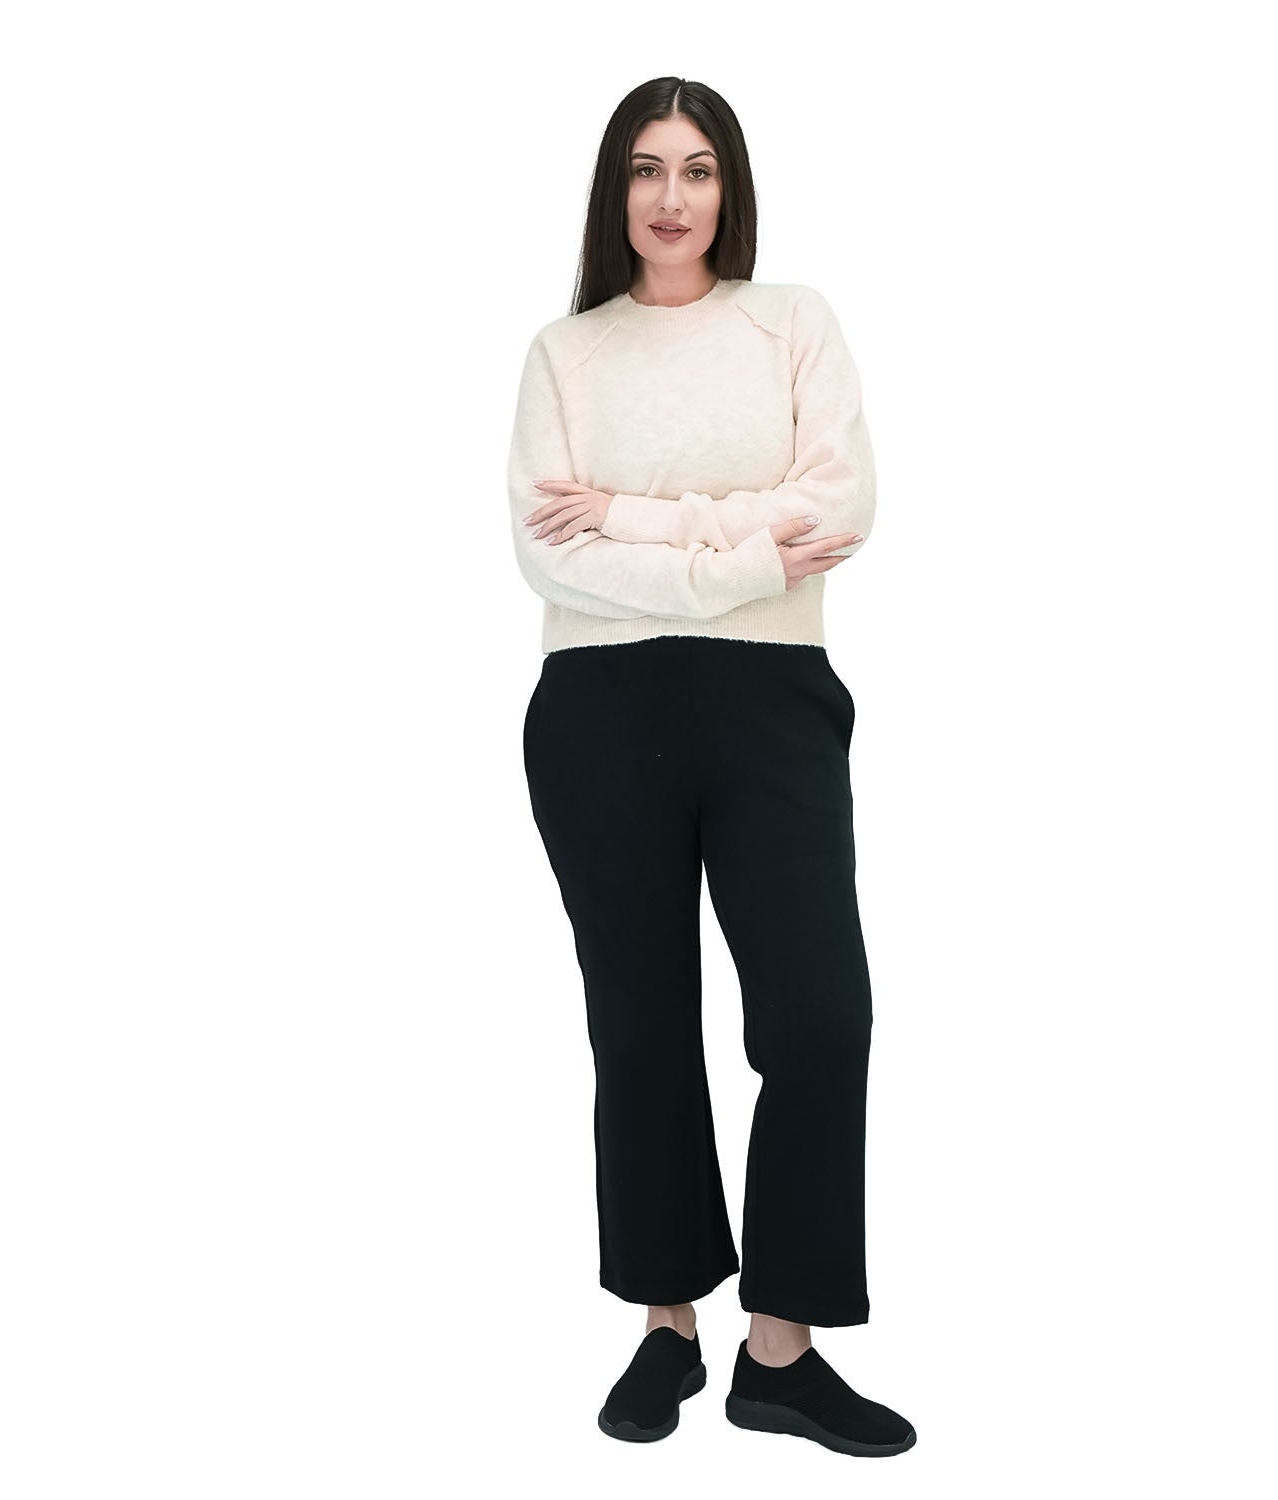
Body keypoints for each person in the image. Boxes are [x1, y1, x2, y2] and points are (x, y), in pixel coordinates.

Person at [508, 76, 915, 1459]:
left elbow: (840, 504)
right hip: (597, 706)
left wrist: (632, 517)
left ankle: (779, 1354)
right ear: (614, 192)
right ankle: (667, 1326)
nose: (670, 197)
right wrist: (744, 549)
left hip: (773, 700)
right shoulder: (566, 353)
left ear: (729, 186)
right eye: (645, 169)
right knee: (640, 1025)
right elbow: (548, 554)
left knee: (820, 1019)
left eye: (695, 169)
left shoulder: (791, 323)